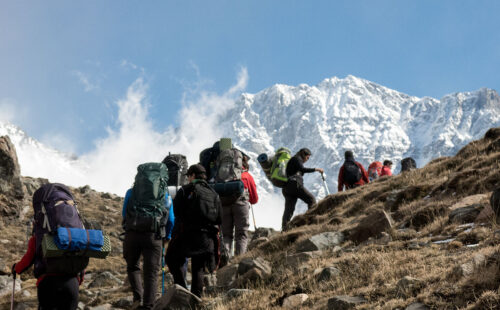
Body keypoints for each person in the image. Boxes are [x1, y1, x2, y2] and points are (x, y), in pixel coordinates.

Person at [12, 184, 85, 310]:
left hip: (48, 283)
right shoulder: (75, 237)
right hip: (72, 283)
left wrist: (16, 269)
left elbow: (28, 260)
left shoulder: (40, 237)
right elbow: (82, 259)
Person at [122, 163, 175, 310]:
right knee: (151, 271)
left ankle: (137, 298)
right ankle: (148, 305)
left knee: (133, 266)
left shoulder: (131, 192)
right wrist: (167, 236)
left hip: (132, 233)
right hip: (154, 235)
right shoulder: (165, 195)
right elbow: (171, 219)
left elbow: (124, 213)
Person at [166, 164, 222, 298]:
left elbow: (177, 211)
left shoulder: (185, 190)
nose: (188, 179)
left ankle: (182, 290)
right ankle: (196, 300)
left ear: (192, 175)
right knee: (198, 267)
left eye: (188, 176)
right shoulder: (213, 193)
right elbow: (219, 218)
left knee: (171, 259)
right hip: (207, 237)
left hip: (187, 234)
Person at [221, 155, 258, 257]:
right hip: (241, 205)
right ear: (245, 166)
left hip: (224, 204)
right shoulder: (247, 176)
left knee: (226, 234)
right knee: (241, 234)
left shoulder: (224, 174)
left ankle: (225, 256)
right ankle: (238, 260)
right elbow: (254, 199)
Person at [281, 148, 324, 230]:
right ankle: (310, 222)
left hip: (287, 188)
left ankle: (284, 229)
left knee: (289, 210)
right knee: (311, 199)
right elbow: (302, 169)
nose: (307, 160)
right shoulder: (297, 159)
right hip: (295, 185)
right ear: (303, 154)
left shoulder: (294, 160)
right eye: (307, 157)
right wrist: (316, 169)